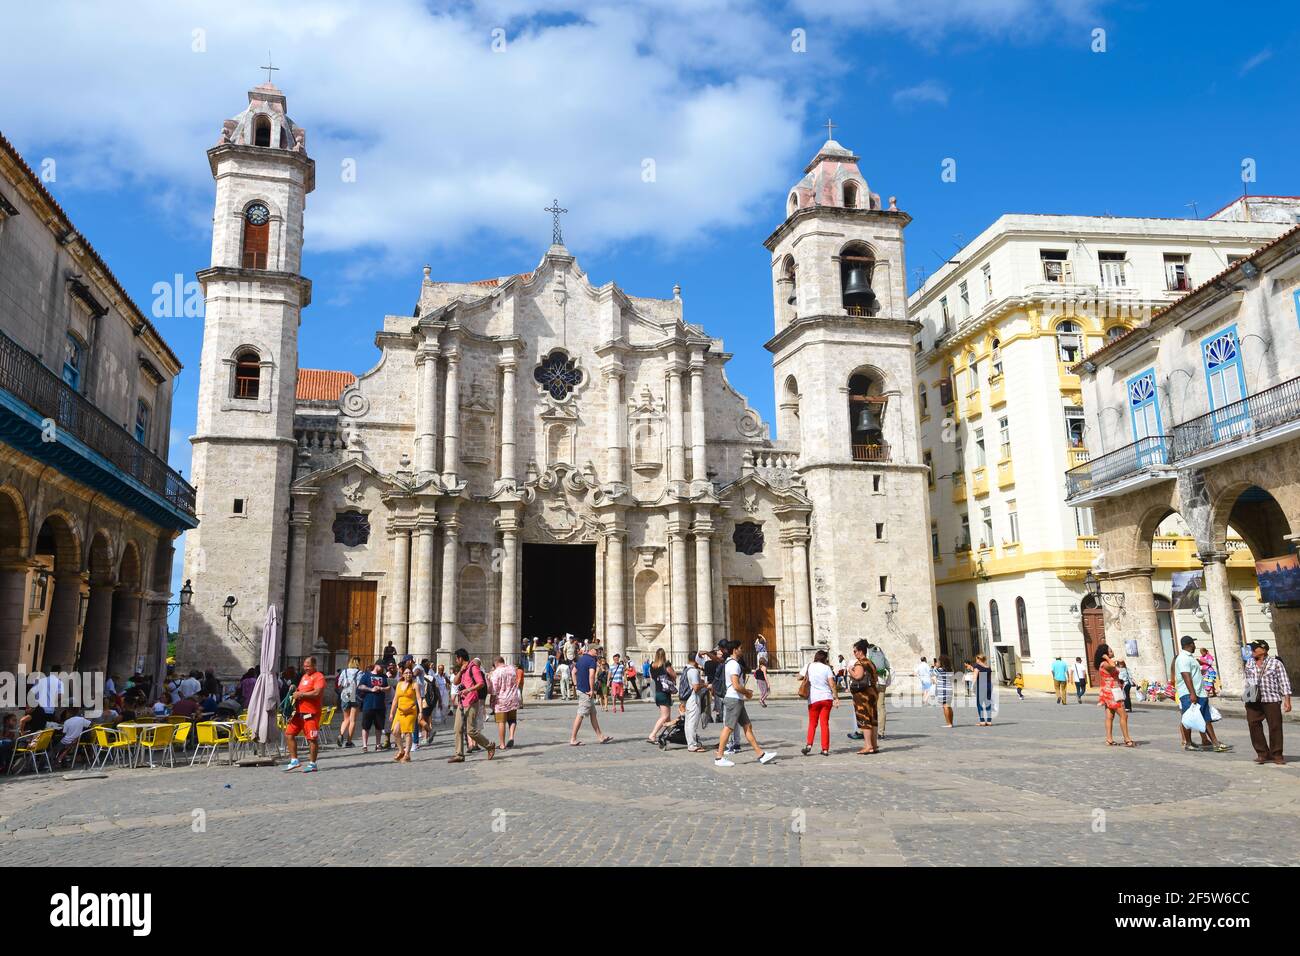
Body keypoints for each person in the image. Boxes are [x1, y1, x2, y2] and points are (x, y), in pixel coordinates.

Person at [714, 640, 777, 767]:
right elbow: (736, 685)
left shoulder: (731, 663)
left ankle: (761, 755)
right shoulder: (733, 665)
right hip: (733, 699)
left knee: (747, 726)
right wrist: (747, 692)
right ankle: (719, 757)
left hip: (737, 699)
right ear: (735, 650)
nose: (742, 650)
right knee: (728, 728)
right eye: (741, 648)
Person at [1175, 636, 1230, 753]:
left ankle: (1215, 742)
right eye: (1193, 644)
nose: (1195, 646)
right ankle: (1188, 743)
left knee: (1206, 718)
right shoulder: (1183, 658)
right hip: (1189, 693)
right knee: (1188, 718)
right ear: (1190, 645)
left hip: (1200, 692)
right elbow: (1186, 675)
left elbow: (1193, 673)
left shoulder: (1191, 658)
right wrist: (1192, 694)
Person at [1243, 640, 1291, 765]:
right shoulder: (1249, 663)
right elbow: (1247, 681)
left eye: (1255, 648)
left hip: (1271, 699)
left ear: (1263, 650)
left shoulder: (1276, 663)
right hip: (1253, 699)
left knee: (1275, 726)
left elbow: (1284, 681)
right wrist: (1246, 696)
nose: (1252, 650)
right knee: (1253, 724)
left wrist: (1287, 700)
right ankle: (1262, 753)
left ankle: (1277, 754)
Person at [448, 649, 496, 763]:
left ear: (460, 658)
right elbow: (455, 682)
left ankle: (489, 745)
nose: (456, 661)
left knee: (470, 731)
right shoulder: (463, 669)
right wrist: (460, 671)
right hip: (461, 702)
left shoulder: (473, 668)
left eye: (456, 658)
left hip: (471, 702)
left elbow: (481, 683)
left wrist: (468, 690)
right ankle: (459, 754)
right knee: (457, 729)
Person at [283, 656, 326, 773]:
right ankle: (294, 760)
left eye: (308, 665)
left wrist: (301, 694)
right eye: (304, 665)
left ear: (314, 665)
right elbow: (301, 690)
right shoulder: (304, 677)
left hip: (311, 713)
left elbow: (317, 692)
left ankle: (312, 764)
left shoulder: (319, 677)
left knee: (312, 739)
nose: (305, 667)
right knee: (289, 734)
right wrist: (295, 691)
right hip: (298, 712)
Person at [569, 643, 613, 746]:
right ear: (592, 650)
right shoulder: (592, 661)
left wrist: (576, 684)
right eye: (597, 650)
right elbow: (592, 675)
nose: (598, 652)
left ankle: (600, 736)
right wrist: (592, 690)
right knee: (580, 714)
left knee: (593, 714)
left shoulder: (582, 659)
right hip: (586, 692)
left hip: (581, 689)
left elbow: (573, 671)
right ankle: (573, 738)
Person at [1094, 644, 1134, 747]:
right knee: (1124, 715)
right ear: (1105, 654)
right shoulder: (1105, 663)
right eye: (1110, 651)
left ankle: (1109, 739)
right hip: (1113, 693)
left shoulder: (1104, 664)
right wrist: (1106, 657)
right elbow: (1112, 666)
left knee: (1110, 716)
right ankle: (1127, 739)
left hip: (1108, 691)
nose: (1112, 652)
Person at [801, 649, 838, 756]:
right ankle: (825, 749)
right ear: (825, 659)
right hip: (826, 698)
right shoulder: (827, 668)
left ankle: (809, 745)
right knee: (824, 724)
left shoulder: (809, 666)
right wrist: (836, 697)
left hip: (814, 699)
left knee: (812, 723)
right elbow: (832, 684)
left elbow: (799, 676)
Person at [848, 640, 880, 754]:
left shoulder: (860, 663)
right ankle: (874, 745)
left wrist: (850, 670)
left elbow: (858, 676)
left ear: (860, 651)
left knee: (864, 719)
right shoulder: (871, 663)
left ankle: (868, 746)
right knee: (873, 719)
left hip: (862, 694)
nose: (854, 653)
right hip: (872, 693)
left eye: (855, 651)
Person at [387, 664, 421, 763]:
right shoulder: (399, 684)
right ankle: (401, 750)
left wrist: (421, 712)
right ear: (402, 674)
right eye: (406, 673)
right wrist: (391, 713)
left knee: (407, 732)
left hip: (410, 711)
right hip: (400, 711)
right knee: (395, 731)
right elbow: (395, 700)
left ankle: (407, 754)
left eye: (410, 673)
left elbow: (419, 698)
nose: (408, 674)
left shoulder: (415, 684)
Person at [489, 656, 522, 750]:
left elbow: (494, 689)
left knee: (501, 722)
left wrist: (491, 698)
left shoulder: (497, 672)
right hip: (513, 698)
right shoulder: (512, 669)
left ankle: (502, 744)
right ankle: (511, 736)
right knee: (512, 719)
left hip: (501, 700)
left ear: (496, 663)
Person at [646, 647, 677, 744]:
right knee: (664, 716)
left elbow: (652, 678)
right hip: (664, 692)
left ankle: (671, 734)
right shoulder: (666, 665)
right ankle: (653, 734)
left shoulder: (652, 666)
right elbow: (674, 675)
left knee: (667, 718)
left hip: (657, 692)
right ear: (664, 655)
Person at [356, 662, 387, 752]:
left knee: (379, 727)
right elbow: (360, 686)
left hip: (380, 705)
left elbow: (389, 687)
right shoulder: (366, 675)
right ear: (376, 665)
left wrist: (381, 688)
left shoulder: (384, 677)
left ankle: (378, 744)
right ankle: (365, 745)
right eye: (381, 666)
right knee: (366, 726)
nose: (382, 668)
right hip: (368, 704)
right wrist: (371, 689)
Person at [336, 655, 363, 748]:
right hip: (354, 694)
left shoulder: (344, 671)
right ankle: (349, 741)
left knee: (346, 718)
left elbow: (339, 683)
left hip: (345, 694)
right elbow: (359, 684)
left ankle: (341, 734)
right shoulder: (360, 672)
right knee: (352, 720)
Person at [683, 654, 708, 752]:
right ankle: (692, 744)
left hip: (688, 699)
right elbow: (696, 687)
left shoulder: (686, 669)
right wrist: (704, 685)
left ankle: (691, 742)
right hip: (693, 698)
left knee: (688, 722)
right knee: (692, 722)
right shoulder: (693, 671)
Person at [973, 654, 995, 726]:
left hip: (981, 686)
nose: (976, 661)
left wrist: (972, 687)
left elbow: (975, 678)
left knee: (979, 704)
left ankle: (982, 721)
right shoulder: (988, 667)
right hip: (988, 686)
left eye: (976, 659)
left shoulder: (977, 667)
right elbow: (989, 678)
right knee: (988, 703)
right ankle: (989, 721)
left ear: (979, 659)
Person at [933, 655, 954, 728]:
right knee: (949, 706)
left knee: (945, 706)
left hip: (943, 690)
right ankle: (951, 722)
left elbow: (932, 673)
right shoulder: (950, 670)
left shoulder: (939, 670)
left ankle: (949, 723)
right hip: (949, 689)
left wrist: (935, 666)